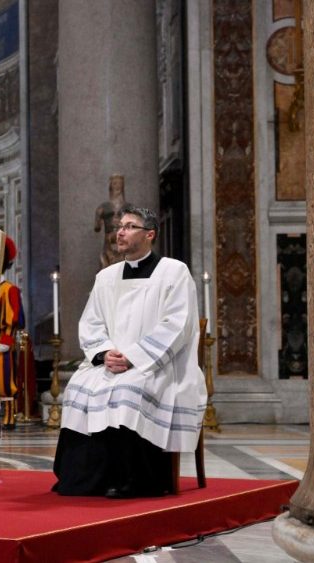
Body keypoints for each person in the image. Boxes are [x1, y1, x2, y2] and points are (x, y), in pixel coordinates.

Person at [53, 205, 207, 499]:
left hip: (158, 364)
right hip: (112, 362)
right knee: (78, 389)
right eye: (119, 226)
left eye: (129, 226)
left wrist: (134, 356)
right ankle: (87, 480)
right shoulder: (107, 277)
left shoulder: (174, 272)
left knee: (129, 391)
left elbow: (177, 324)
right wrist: (104, 353)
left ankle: (139, 480)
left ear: (150, 234)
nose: (119, 232)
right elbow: (92, 322)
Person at [0, 236, 25, 430]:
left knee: (4, 380)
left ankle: (9, 416)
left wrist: (6, 339)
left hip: (1, 341)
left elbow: (14, 317)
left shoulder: (9, 289)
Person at [93, 174, 130, 268]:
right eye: (115, 184)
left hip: (125, 246)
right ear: (110, 186)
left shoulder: (130, 208)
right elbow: (97, 228)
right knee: (104, 270)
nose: (117, 187)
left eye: (120, 184)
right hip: (108, 246)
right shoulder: (103, 207)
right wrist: (98, 217)